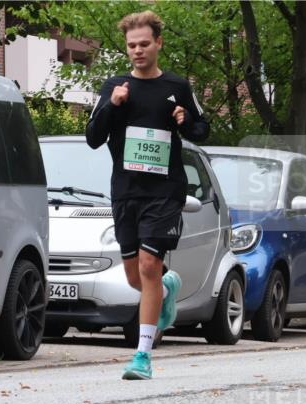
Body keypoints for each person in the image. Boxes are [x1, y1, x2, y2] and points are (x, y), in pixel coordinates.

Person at [85, 10, 209, 380]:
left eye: (144, 44)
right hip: (126, 191)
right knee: (133, 276)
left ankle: (142, 355)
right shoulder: (115, 87)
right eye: (131, 46)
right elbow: (93, 138)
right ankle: (166, 292)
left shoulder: (177, 86)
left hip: (165, 191)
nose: (137, 51)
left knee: (149, 265)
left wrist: (187, 121)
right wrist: (113, 105)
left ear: (158, 43)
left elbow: (203, 130)